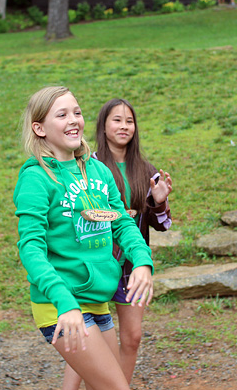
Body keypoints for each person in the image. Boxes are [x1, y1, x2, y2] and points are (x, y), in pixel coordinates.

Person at [14, 86, 155, 390]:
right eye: (62, 114)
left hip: (96, 301)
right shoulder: (36, 178)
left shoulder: (98, 171)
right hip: (60, 306)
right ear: (40, 128)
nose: (74, 120)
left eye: (76, 112)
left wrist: (142, 261)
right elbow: (31, 249)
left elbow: (122, 224)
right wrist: (65, 304)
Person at [63, 98, 173, 388]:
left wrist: (159, 202)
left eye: (130, 121)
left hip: (132, 268)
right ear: (103, 124)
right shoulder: (88, 165)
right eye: (117, 120)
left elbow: (161, 226)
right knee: (87, 337)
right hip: (97, 261)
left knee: (132, 337)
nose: (124, 126)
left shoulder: (147, 169)